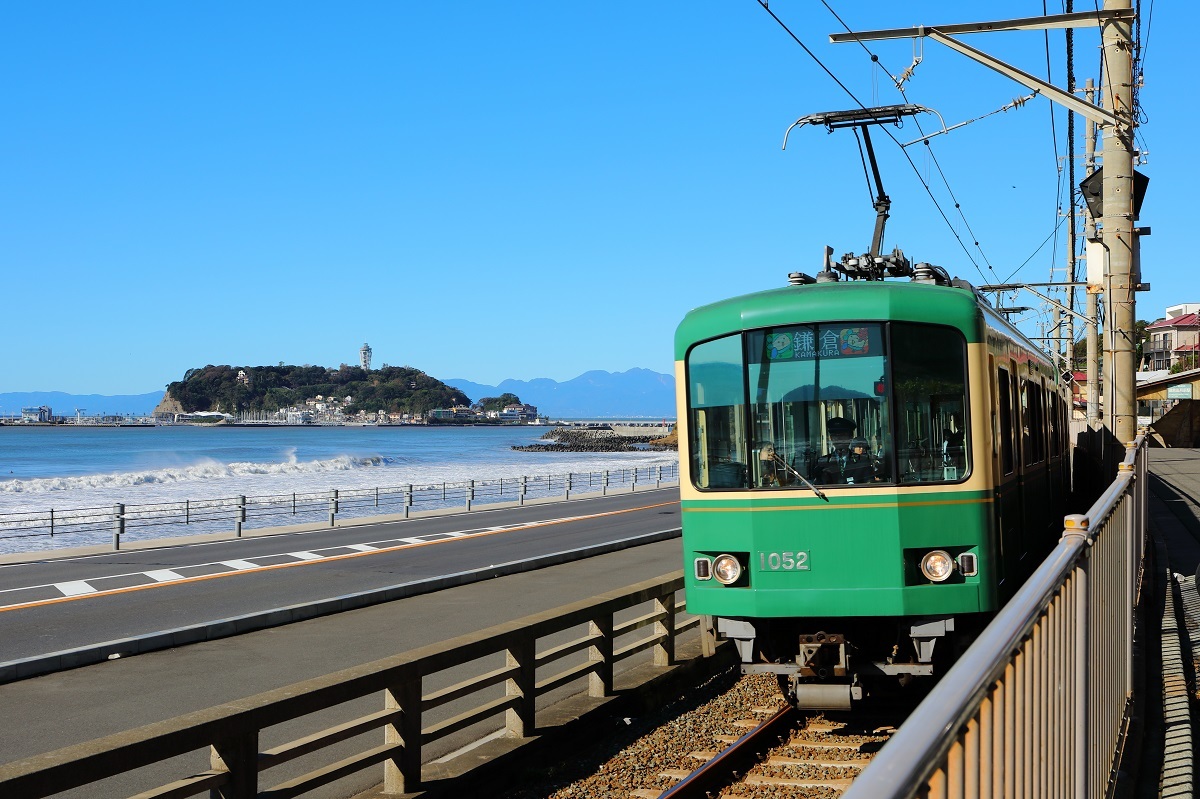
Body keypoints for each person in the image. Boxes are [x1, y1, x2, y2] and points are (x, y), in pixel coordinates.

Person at [814, 417, 875, 484]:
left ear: (850, 437)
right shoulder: (822, 462)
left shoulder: (862, 461)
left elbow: (869, 486)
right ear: (831, 438)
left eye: (843, 435)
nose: (839, 439)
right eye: (835, 436)